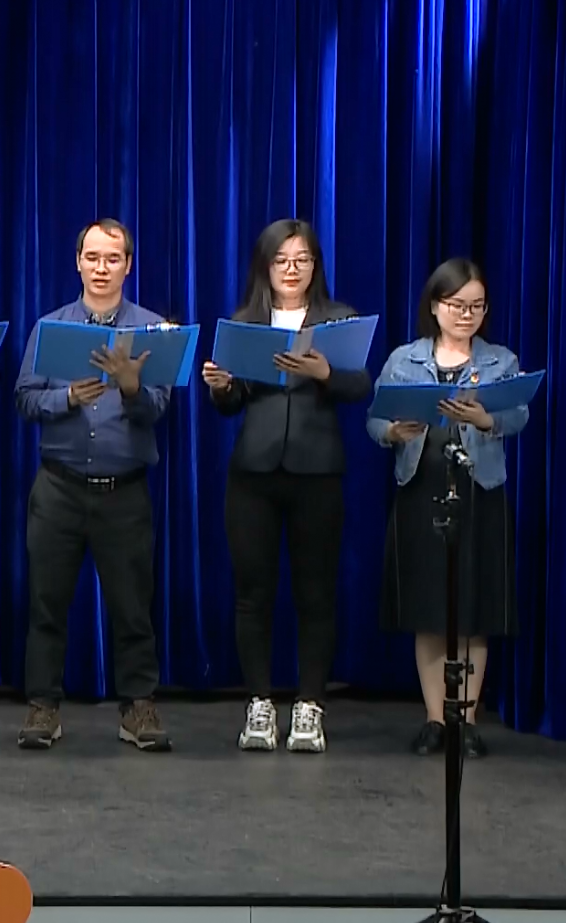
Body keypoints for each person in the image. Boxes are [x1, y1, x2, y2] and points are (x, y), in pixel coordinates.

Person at [200, 219, 371, 753]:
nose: (292, 269)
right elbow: (230, 404)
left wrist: (325, 374)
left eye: (302, 260)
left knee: (315, 594)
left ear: (315, 266)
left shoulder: (337, 319)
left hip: (317, 473)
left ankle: (309, 706)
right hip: (253, 474)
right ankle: (258, 704)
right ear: (266, 267)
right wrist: (220, 387)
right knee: (252, 593)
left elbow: (360, 386)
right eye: (282, 260)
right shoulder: (245, 322)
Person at [13, 220, 172, 752]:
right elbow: (24, 398)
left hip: (124, 490)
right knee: (47, 603)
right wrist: (66, 399)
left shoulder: (152, 331)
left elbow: (158, 407)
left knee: (132, 607)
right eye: (93, 258)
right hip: (58, 487)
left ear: (128, 265)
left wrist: (131, 388)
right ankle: (43, 706)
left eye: (113, 258)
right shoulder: (50, 326)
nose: (102, 268)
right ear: (78, 262)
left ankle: (138, 707)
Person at [368, 258, 526, 758]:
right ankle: (436, 718)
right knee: (429, 609)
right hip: (421, 489)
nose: (466, 314)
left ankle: (467, 721)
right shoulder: (405, 359)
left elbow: (518, 414)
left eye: (476, 306)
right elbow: (375, 419)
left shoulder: (500, 360)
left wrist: (486, 419)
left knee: (473, 609)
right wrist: (393, 432)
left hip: (480, 491)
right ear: (435, 307)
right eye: (457, 305)